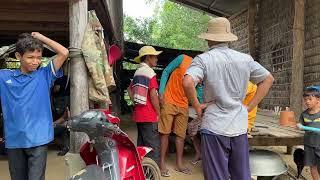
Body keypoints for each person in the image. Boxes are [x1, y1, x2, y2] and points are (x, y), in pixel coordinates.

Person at [182, 17, 274, 180]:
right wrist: (250, 106)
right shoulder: (245, 59)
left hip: (214, 126)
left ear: (209, 38)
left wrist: (197, 105)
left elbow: (188, 81)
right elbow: (268, 79)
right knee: (241, 175)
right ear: (227, 38)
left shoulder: (204, 59)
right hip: (239, 126)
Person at [0, 32, 68, 180]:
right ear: (18, 56)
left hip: (39, 138)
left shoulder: (44, 75)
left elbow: (64, 52)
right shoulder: (4, 77)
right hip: (14, 139)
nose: (35, 61)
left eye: (38, 58)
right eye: (30, 57)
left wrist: (41, 39)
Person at [158, 54, 193, 176]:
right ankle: (161, 163)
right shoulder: (183, 59)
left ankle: (179, 164)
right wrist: (161, 92)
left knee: (181, 135)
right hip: (169, 100)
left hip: (184, 104)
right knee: (165, 133)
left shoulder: (203, 71)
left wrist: (200, 106)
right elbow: (166, 71)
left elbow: (198, 90)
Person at [127, 46, 162, 165]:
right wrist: (158, 113)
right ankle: (153, 172)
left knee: (142, 145)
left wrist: (135, 102)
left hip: (139, 115)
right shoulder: (150, 72)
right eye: (155, 56)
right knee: (153, 146)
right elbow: (153, 95)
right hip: (149, 115)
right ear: (148, 57)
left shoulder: (138, 72)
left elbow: (129, 89)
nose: (157, 59)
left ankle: (142, 170)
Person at [298, 86, 320, 180]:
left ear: (318, 99)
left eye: (310, 99)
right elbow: (301, 126)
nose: (307, 101)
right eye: (305, 99)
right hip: (309, 145)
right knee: (312, 166)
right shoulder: (304, 114)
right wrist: (299, 126)